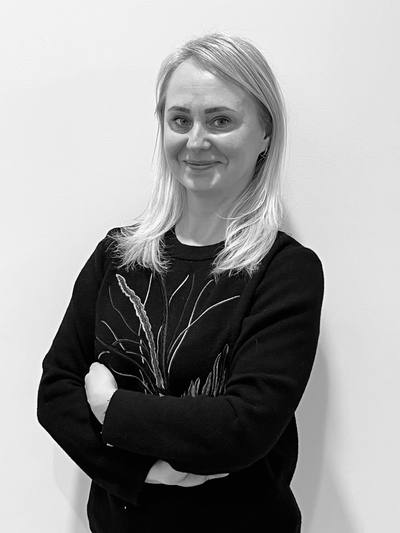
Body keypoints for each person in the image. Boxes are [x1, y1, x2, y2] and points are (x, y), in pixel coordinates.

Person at [37, 32, 324, 533]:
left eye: (220, 120)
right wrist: (144, 471)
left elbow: (242, 427)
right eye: (180, 120)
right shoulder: (117, 256)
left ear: (265, 134)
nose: (195, 141)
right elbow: (56, 392)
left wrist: (110, 407)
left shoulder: (285, 271)